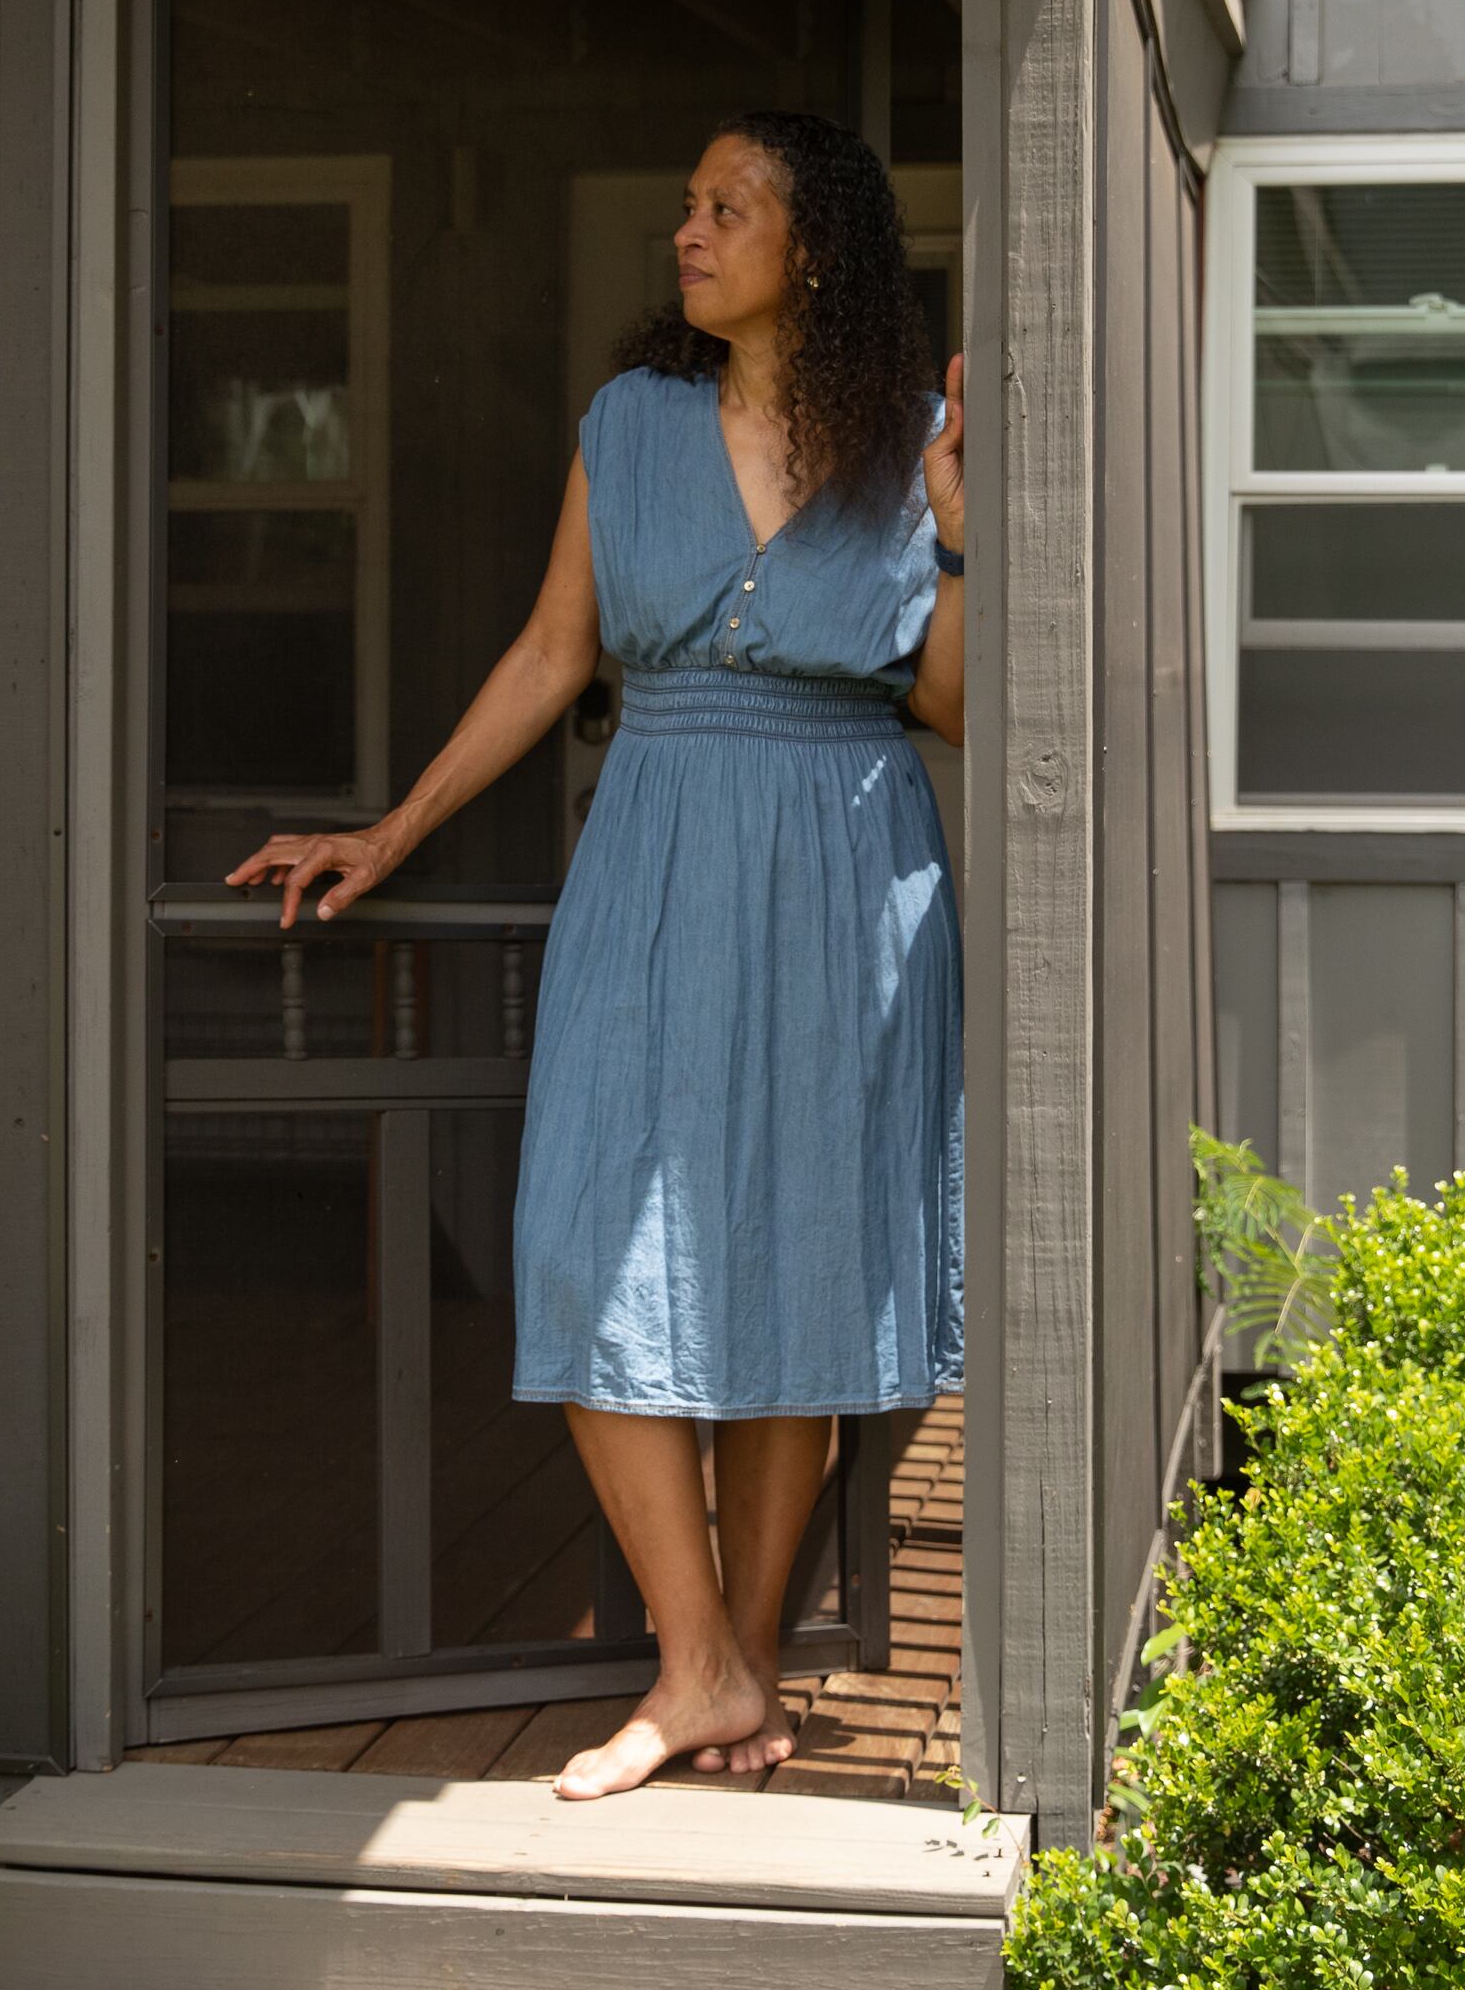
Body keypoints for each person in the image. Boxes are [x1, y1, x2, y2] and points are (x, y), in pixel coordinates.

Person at [228, 109, 967, 1800]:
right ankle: (694, 1655)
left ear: (820, 249)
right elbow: (556, 652)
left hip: (851, 874)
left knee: (806, 1256)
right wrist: (387, 831)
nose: (690, 232)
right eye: (687, 206)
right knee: (582, 1237)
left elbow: (956, 702)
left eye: (728, 208)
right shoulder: (630, 426)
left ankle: (740, 1670)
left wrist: (955, 520)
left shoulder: (909, 442)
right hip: (652, 858)